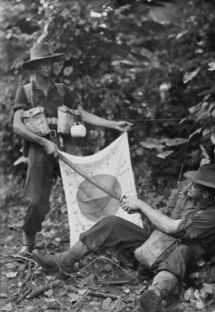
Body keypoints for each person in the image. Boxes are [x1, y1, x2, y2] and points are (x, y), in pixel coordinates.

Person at [32, 163, 215, 312]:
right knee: (112, 223)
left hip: (182, 261)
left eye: (195, 184)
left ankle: (155, 294)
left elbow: (172, 227)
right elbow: (160, 223)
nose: (190, 185)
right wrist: (166, 204)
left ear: (205, 193)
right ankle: (65, 261)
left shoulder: (213, 216)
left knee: (183, 250)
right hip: (158, 246)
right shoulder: (188, 198)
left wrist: (141, 205)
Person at [13, 42, 132, 256]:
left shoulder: (63, 90)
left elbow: (82, 115)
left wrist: (114, 124)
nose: (49, 66)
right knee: (36, 200)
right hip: (39, 149)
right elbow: (17, 125)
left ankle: (95, 239)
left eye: (51, 62)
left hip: (66, 146)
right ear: (34, 67)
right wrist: (43, 142)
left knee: (87, 189)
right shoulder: (25, 92)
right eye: (43, 63)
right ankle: (28, 242)